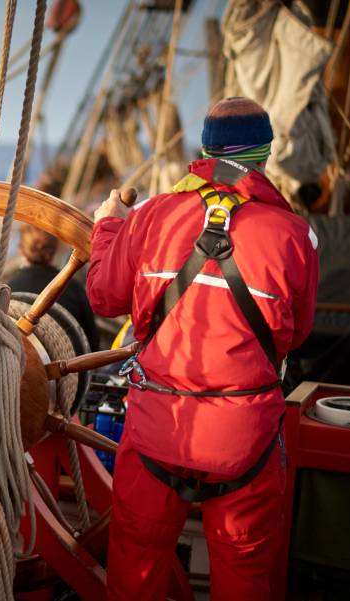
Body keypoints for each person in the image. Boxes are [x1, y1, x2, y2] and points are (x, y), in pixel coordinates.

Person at [87, 97, 318, 600]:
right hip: (246, 447)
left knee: (134, 577)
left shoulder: (153, 217)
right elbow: (295, 336)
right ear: (265, 154)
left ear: (206, 149)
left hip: (154, 435)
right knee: (245, 582)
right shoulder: (295, 235)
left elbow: (103, 296)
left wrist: (108, 226)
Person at [8, 223, 100, 350]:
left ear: (20, 249)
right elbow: (93, 343)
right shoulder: (74, 288)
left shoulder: (8, 287)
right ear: (55, 249)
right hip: (67, 365)